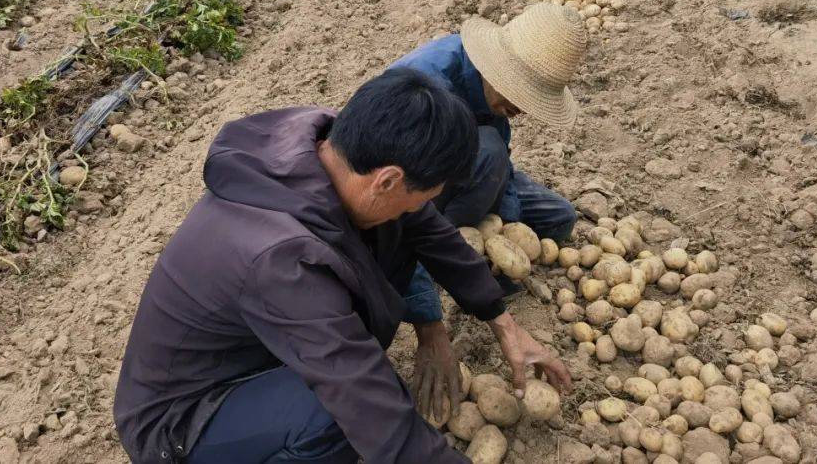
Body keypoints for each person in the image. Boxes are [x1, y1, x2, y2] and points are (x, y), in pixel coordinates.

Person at [114, 68, 570, 464]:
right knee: (336, 417)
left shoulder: (336, 150)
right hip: (182, 422)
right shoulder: (281, 259)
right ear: (388, 180)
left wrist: (502, 321)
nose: (423, 209)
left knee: (395, 234)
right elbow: (368, 405)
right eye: (422, 196)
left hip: (251, 353)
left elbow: (428, 230)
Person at [390, 2, 586, 418]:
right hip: (408, 190)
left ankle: (476, 226)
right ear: (497, 68)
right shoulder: (426, 92)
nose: (523, 108)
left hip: (470, 167)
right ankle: (452, 243)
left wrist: (506, 230)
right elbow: (399, 209)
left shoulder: (491, 92)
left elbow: (502, 163)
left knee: (559, 217)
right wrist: (429, 325)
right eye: (520, 94)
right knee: (489, 153)